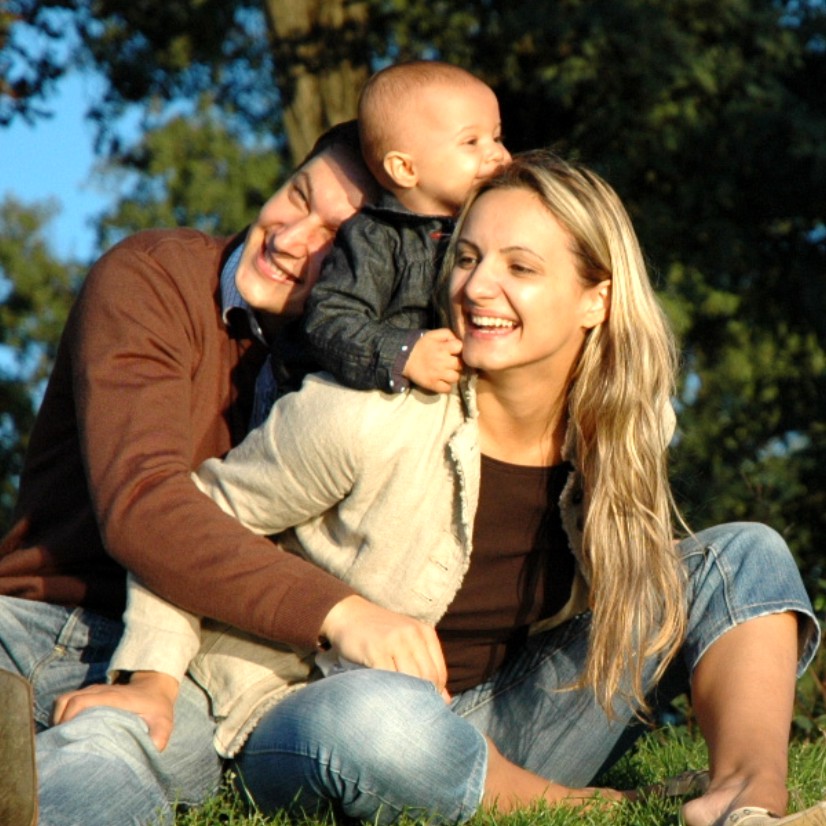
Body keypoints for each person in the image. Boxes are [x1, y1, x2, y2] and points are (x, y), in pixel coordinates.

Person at [60, 151, 821, 826]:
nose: (478, 286)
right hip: (311, 719)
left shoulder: (630, 426)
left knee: (744, 555)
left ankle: (747, 801)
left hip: (498, 723)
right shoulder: (363, 417)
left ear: (596, 298)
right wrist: (152, 678)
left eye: (521, 268)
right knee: (383, 718)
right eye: (468, 258)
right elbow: (197, 521)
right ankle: (596, 811)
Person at [0, 120, 379, 825]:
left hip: (195, 672)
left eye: (337, 241)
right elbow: (144, 503)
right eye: (298, 197)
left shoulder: (367, 382)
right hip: (44, 619)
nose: (291, 239)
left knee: (113, 765)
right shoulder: (154, 276)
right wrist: (339, 613)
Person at [303, 60, 510, 394]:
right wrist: (404, 353)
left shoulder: (495, 227)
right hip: (385, 407)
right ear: (404, 168)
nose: (497, 154)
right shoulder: (378, 238)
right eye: (471, 142)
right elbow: (329, 320)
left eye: (497, 137)